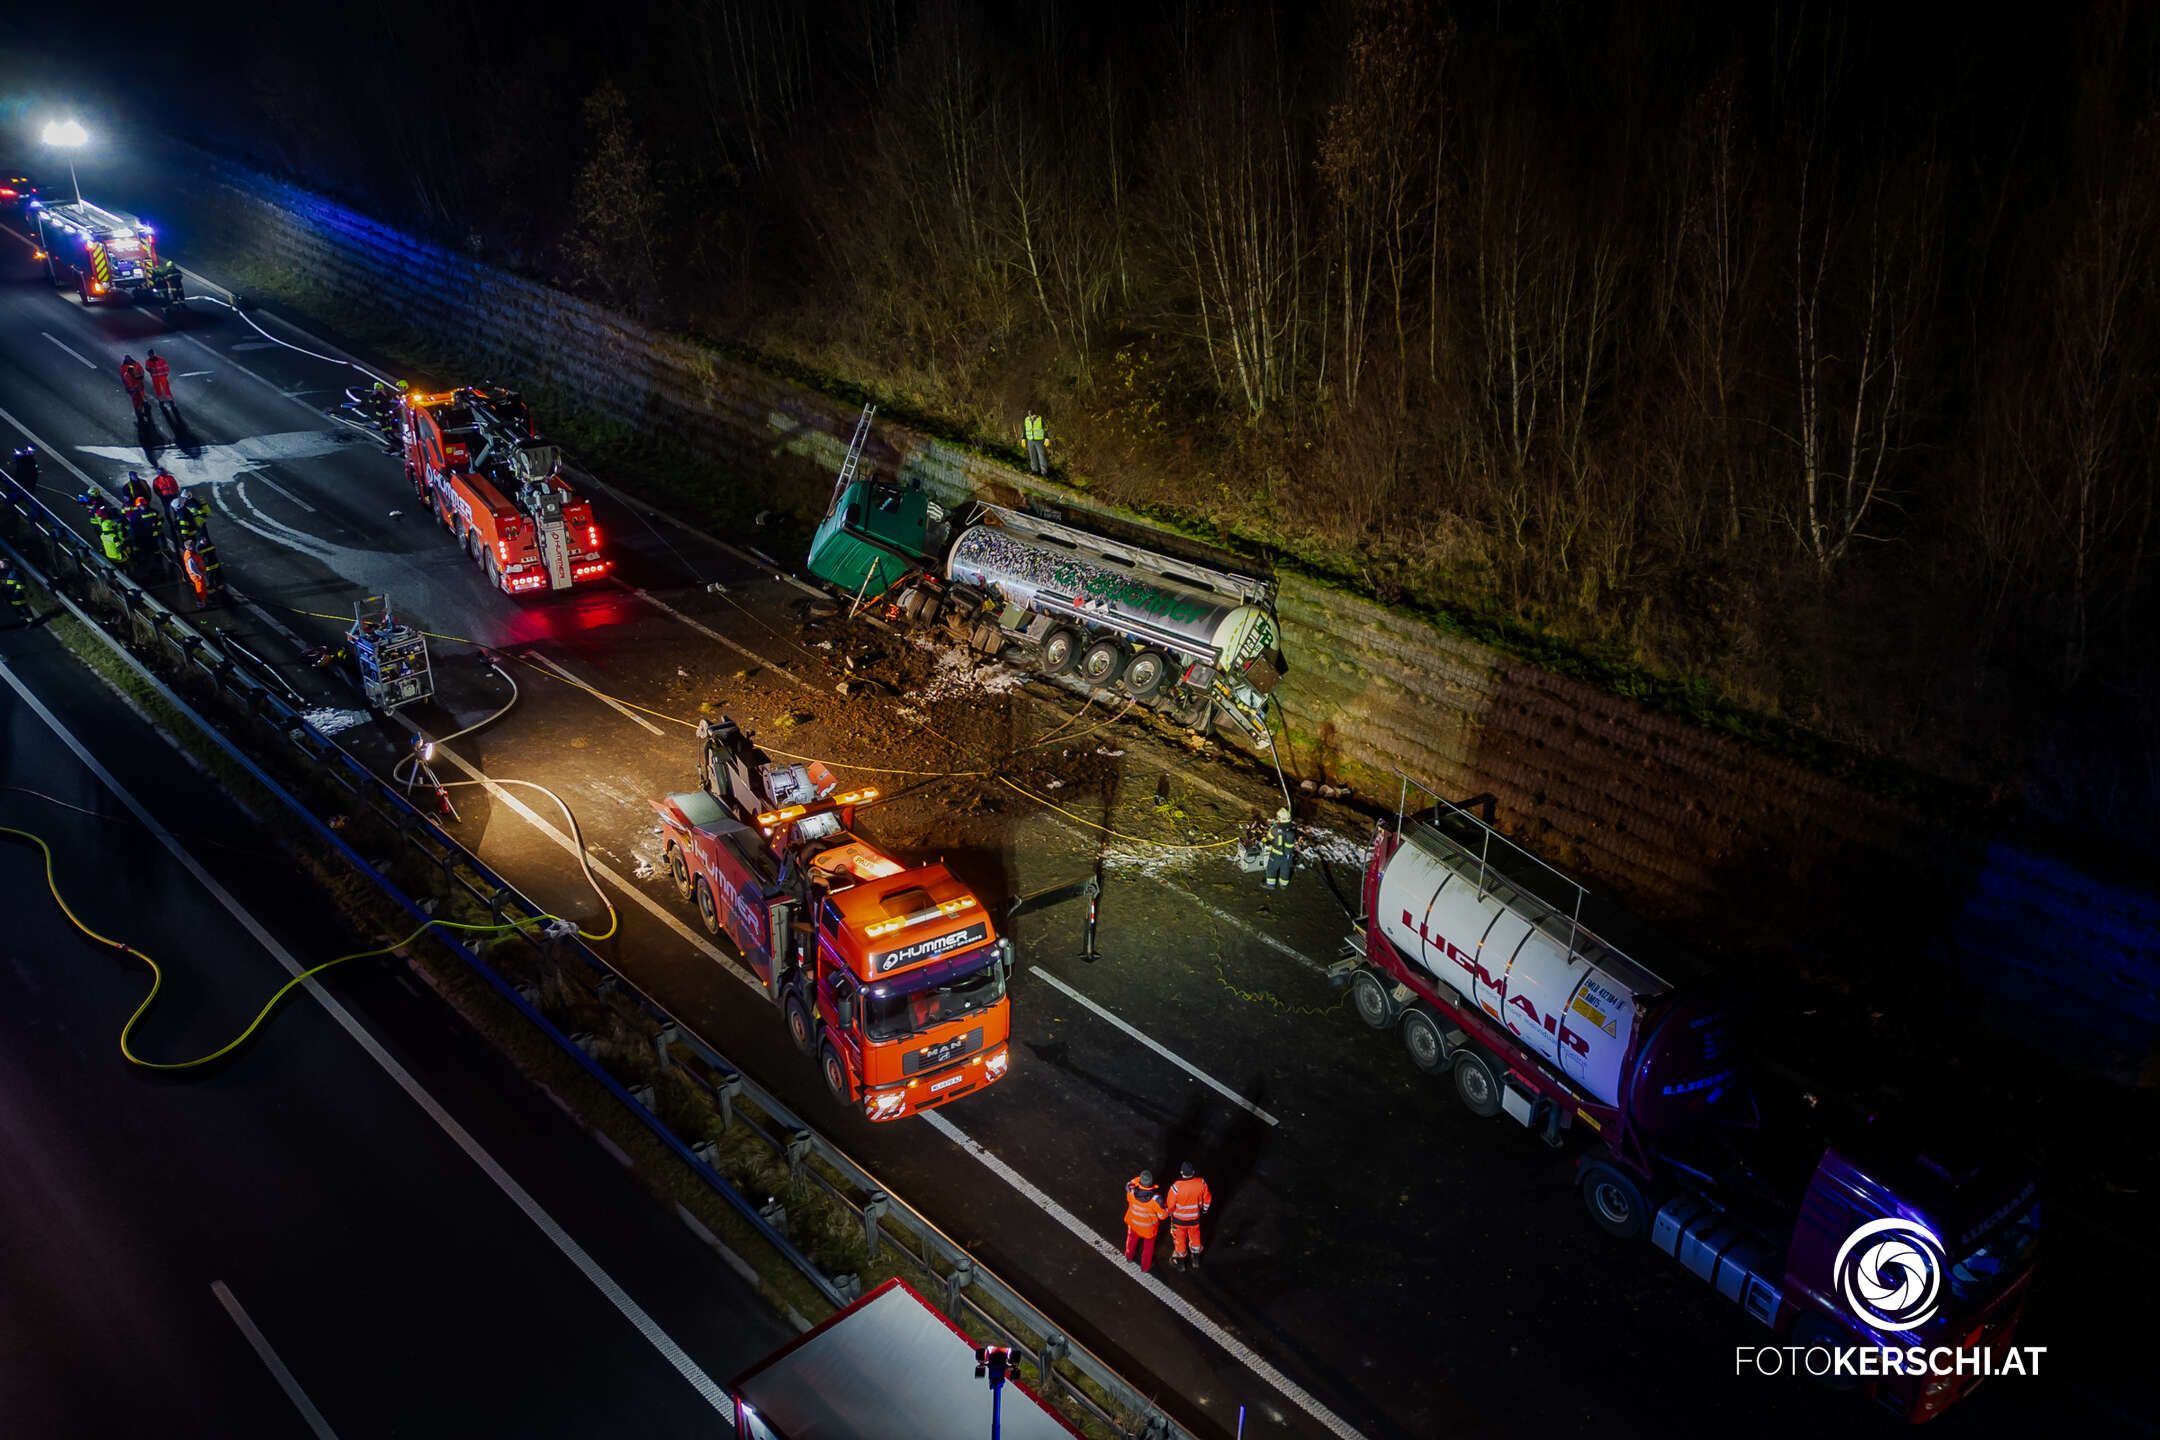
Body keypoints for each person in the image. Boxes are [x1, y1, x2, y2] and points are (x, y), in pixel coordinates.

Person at [1164, 1162, 1214, 1271]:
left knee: (1179, 1241)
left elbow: (1170, 1206)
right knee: (1195, 1238)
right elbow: (1207, 1199)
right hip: (1194, 1219)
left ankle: (1181, 1264)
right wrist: (1204, 1210)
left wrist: (1168, 1214)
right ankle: (1196, 1260)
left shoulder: (1176, 1187)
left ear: (1181, 1173)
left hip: (1179, 1221)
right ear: (1193, 1172)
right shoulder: (1201, 1183)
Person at [1122, 1169, 1166, 1272]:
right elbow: (1162, 1216)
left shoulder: (1131, 1192)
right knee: (1148, 1249)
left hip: (1134, 1224)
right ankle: (1145, 1267)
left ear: (1140, 1181)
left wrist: (1137, 1181)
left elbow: (1131, 1183)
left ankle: (1129, 1257)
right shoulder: (1156, 1199)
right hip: (1148, 1229)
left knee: (1131, 1241)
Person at [181, 537, 220, 610]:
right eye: (192, 545)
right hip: (197, 576)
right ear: (188, 547)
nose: (193, 545)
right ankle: (201, 604)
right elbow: (192, 568)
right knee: (200, 589)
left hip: (199, 573)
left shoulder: (191, 552)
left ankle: (204, 601)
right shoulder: (190, 556)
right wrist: (199, 574)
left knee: (203, 588)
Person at [1263, 806, 1296, 889]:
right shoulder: (1292, 828)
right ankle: (1283, 885)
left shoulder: (1275, 829)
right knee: (1285, 870)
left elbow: (1269, 837)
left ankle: (1270, 884)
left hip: (1276, 854)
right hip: (1288, 855)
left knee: (1271, 868)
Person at [119, 354, 148, 423]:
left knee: (142, 398)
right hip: (134, 390)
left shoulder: (136, 364)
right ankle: (139, 412)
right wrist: (130, 389)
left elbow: (141, 372)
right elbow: (125, 381)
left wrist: (140, 377)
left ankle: (142, 409)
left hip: (139, 386)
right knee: (136, 401)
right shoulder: (125, 372)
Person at [1, 556, 28, 626]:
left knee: (21, 606)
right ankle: (22, 619)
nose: (0, 566)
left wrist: (17, 592)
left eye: (2, 564)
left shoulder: (14, 573)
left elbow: (21, 583)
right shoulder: (3, 573)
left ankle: (30, 621)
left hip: (16, 594)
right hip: (8, 594)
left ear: (7, 564)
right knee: (14, 608)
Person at [1023, 411, 1049, 475]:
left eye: (1032, 415)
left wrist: (1047, 438)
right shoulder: (1026, 419)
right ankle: (1034, 470)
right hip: (1030, 440)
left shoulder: (1040, 419)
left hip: (1039, 440)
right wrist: (1023, 438)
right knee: (1032, 455)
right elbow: (1025, 429)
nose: (1031, 417)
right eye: (1030, 415)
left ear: (1035, 414)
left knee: (1041, 455)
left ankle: (1044, 472)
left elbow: (1045, 429)